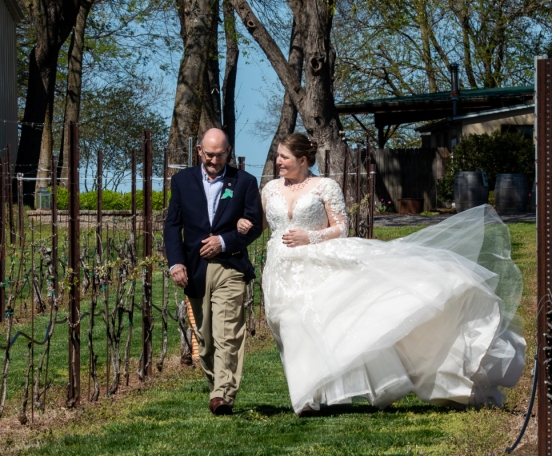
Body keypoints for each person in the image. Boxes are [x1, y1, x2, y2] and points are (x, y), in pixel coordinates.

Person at [238, 133, 525, 415]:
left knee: (306, 325)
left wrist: (309, 237)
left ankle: (307, 398)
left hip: (316, 265)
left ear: (302, 159)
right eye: (277, 155)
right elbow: (260, 225)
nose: (277, 161)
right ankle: (315, 391)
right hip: (279, 269)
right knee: (286, 327)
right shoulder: (270, 190)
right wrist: (241, 225)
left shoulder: (324, 186)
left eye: (283, 156)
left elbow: (341, 228)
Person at [165, 128, 264, 415]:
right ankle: (215, 385)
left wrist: (223, 241)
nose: (214, 160)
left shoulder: (244, 182)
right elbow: (173, 225)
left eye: (220, 155)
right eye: (209, 154)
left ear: (228, 152)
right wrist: (176, 262)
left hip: (230, 267)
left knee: (227, 333)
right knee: (205, 339)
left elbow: (255, 225)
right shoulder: (182, 182)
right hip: (194, 270)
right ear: (199, 151)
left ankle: (223, 394)